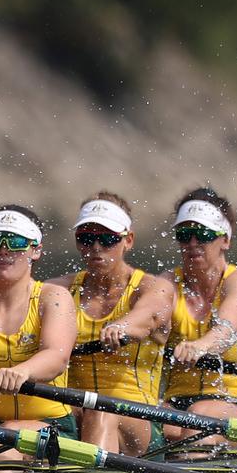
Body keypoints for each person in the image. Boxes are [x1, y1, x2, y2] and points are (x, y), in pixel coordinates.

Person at [47, 193, 174, 456]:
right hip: (72, 411)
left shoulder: (153, 288)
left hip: (137, 418)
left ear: (128, 240)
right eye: (86, 237)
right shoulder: (58, 290)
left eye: (107, 238)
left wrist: (122, 328)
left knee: (100, 412)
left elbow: (149, 316)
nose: (96, 247)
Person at [0, 205, 78, 464]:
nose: (3, 250)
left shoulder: (53, 297)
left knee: (7, 437)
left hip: (49, 424)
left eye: (15, 242)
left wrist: (23, 371)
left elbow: (56, 356)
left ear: (35, 249)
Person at [160, 188, 237, 445]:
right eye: (184, 235)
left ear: (225, 239)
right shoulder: (166, 284)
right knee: (150, 429)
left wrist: (201, 346)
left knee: (197, 421)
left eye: (203, 235)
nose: (193, 243)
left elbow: (227, 330)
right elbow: (147, 320)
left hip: (233, 402)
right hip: (176, 402)